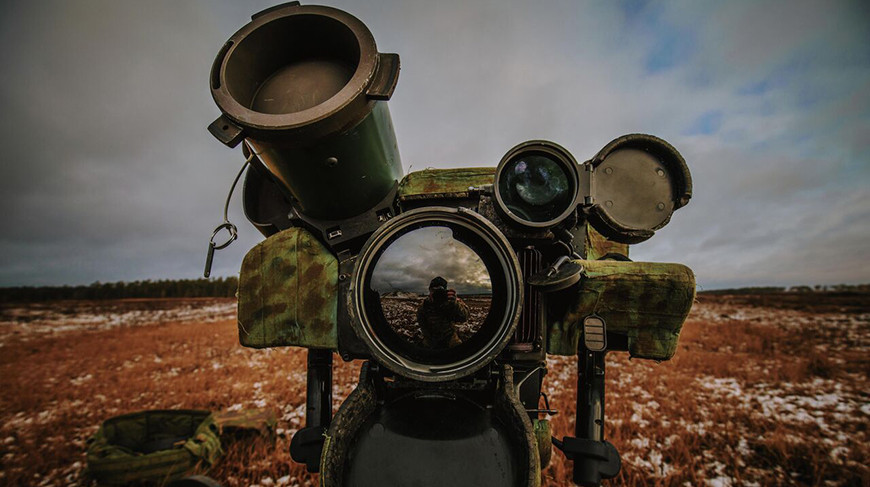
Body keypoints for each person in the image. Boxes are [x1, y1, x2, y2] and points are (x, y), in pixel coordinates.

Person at [416, 276, 469, 349]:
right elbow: (422, 323)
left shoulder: (451, 302)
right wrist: (429, 338)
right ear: (429, 291)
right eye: (434, 290)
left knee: (457, 346)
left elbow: (464, 317)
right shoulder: (424, 305)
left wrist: (455, 305)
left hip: (449, 335)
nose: (436, 293)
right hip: (431, 337)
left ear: (445, 291)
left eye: (440, 290)